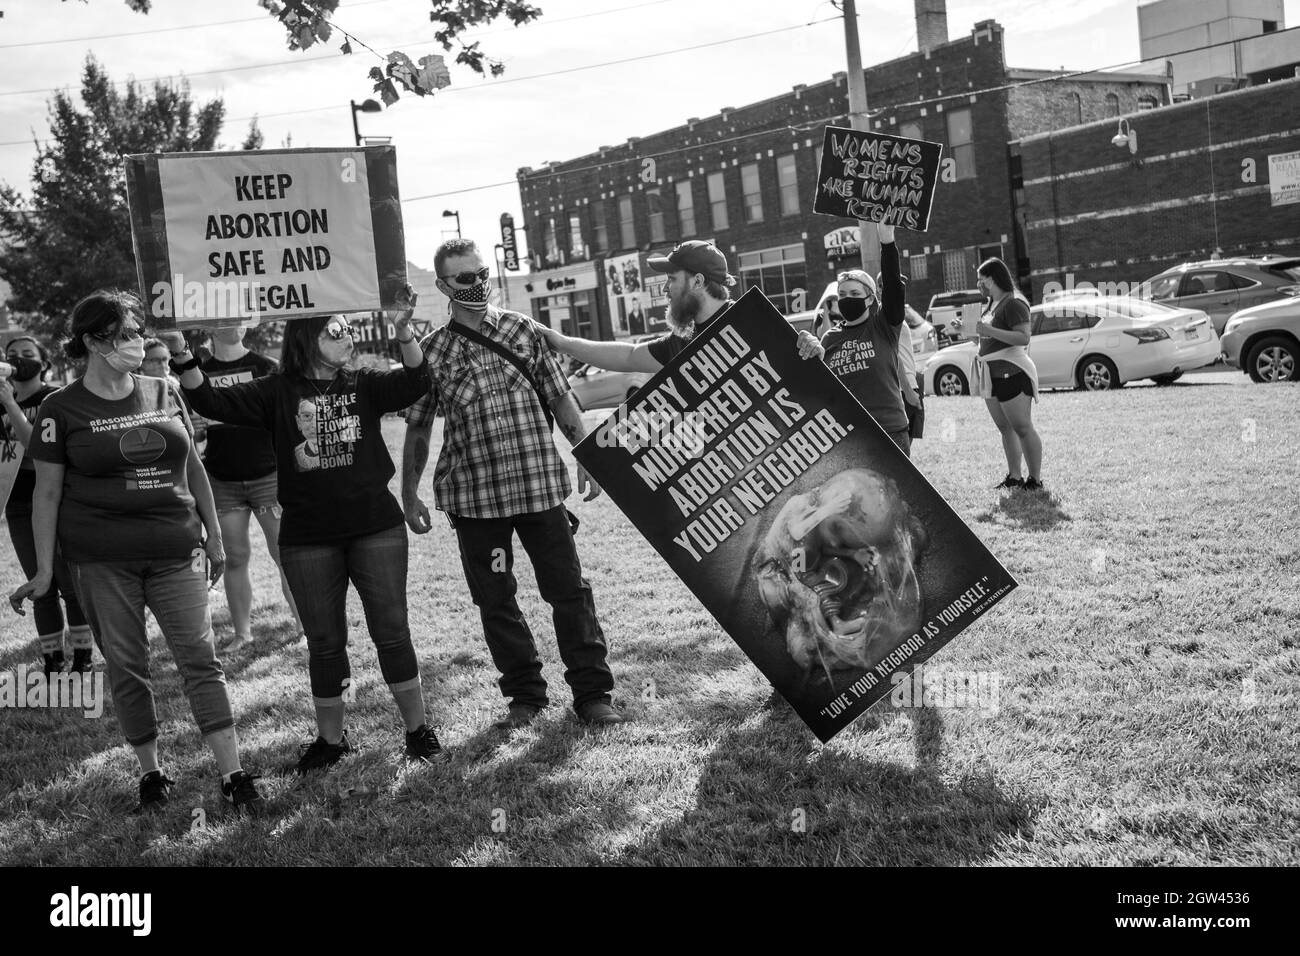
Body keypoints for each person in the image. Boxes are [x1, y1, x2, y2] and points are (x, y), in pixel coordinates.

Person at [165, 293, 447, 771]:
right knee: (324, 642)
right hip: (308, 536)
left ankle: (418, 731)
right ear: (307, 339)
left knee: (392, 631)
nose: (348, 335)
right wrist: (179, 350)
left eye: (347, 327)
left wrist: (403, 331)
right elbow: (207, 398)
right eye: (335, 330)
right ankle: (331, 742)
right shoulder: (275, 390)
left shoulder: (363, 383)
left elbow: (418, 380)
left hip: (375, 526)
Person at [8, 291, 263, 815]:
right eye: (123, 334)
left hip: (177, 550)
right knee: (126, 665)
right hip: (101, 561)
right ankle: (151, 772)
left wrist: (214, 534)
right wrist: (43, 569)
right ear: (92, 342)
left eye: (134, 331)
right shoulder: (60, 407)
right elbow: (47, 493)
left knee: (201, 659)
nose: (134, 343)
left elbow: (193, 467)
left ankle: (233, 773)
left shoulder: (165, 389)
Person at [401, 238, 622, 731]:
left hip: (540, 488)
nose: (477, 283)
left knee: (568, 591)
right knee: (496, 601)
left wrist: (587, 456)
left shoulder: (523, 331)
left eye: (481, 273)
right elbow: (418, 427)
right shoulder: (432, 351)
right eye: (465, 278)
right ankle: (525, 696)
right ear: (443, 286)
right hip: (476, 500)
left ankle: (592, 694)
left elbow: (562, 398)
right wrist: (408, 491)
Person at [538, 239, 824, 374]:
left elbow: (811, 385)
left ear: (698, 281)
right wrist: (561, 343)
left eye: (672, 279)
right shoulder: (683, 341)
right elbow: (627, 357)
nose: (665, 289)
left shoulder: (757, 324)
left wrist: (813, 351)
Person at [197, 324, 301, 651]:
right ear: (208, 326)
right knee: (235, 557)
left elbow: (286, 419)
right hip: (222, 479)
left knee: (285, 554)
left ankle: (305, 627)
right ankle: (242, 634)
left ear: (247, 323)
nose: (230, 324)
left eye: (237, 317)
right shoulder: (198, 373)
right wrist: (198, 425)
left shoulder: (267, 367)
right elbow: (192, 432)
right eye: (221, 318)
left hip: (267, 476)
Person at [1, 335, 95, 675]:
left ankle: (83, 657)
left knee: (68, 583)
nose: (19, 358)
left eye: (29, 354)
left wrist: (11, 405)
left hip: (55, 500)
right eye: (13, 355)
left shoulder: (54, 398)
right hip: (17, 504)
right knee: (39, 584)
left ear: (44, 363)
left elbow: (37, 446)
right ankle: (53, 660)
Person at [818, 223, 912, 456]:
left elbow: (892, 287)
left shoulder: (883, 326)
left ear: (870, 300)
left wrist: (887, 241)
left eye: (855, 294)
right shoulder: (829, 339)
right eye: (842, 295)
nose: (847, 299)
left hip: (890, 431)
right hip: (851, 437)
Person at [973, 257, 1043, 491]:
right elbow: (989, 339)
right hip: (991, 374)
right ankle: (1014, 476)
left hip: (1012, 371)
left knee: (1022, 426)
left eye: (981, 280)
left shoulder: (1014, 303)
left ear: (992, 279)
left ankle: (1035, 479)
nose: (979, 285)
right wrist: (968, 332)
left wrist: (988, 329)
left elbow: (1023, 337)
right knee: (1005, 428)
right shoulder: (992, 303)